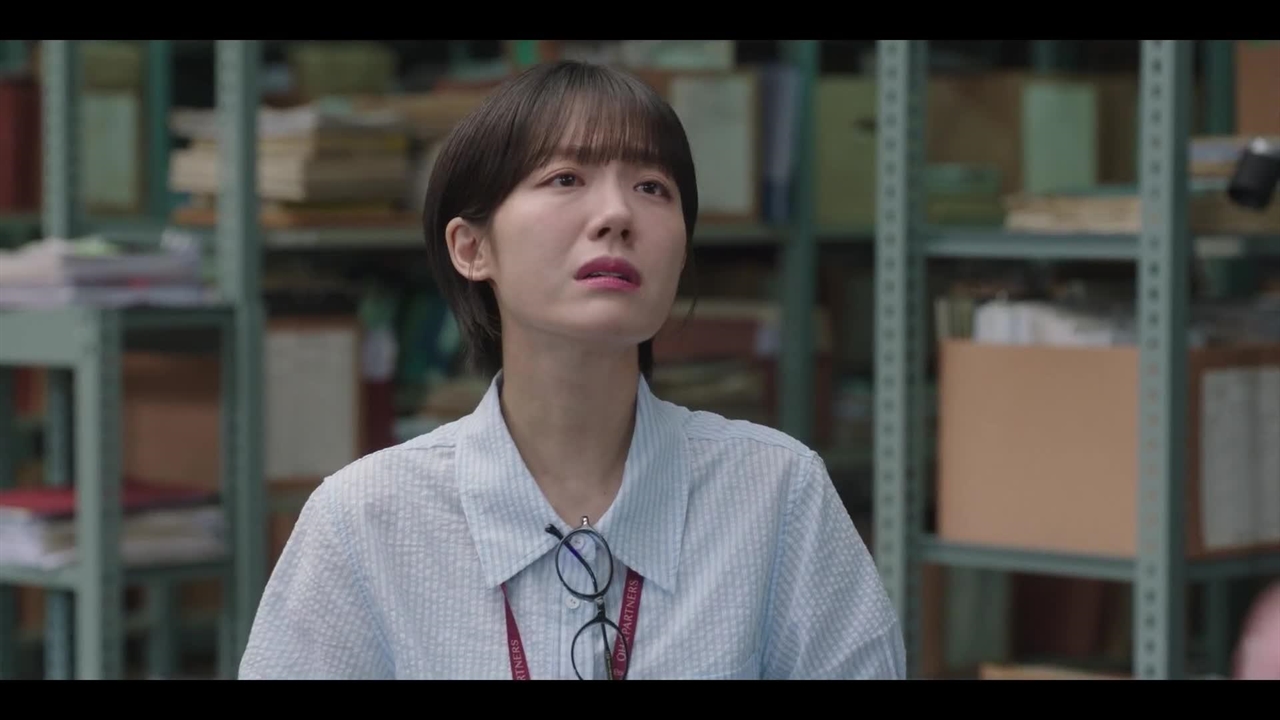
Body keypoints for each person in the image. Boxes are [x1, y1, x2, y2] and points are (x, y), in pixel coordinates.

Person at [237, 59, 907, 681]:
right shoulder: (366, 520)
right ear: (471, 247)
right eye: (565, 179)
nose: (616, 215)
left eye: (652, 188)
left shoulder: (777, 494)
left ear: (680, 254)